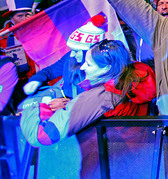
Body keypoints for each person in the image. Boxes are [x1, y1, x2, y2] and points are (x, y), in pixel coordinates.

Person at [20, 39, 155, 146]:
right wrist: (74, 104)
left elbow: (44, 135)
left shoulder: (102, 96)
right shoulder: (129, 75)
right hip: (136, 147)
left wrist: (35, 107)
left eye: (89, 64)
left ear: (106, 68)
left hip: (114, 155)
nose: (83, 67)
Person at [22, 14, 111, 107]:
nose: (72, 54)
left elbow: (96, 105)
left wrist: (66, 104)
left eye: (76, 51)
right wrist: (36, 80)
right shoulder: (71, 57)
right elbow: (51, 70)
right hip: (64, 99)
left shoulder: (103, 69)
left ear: (91, 51)